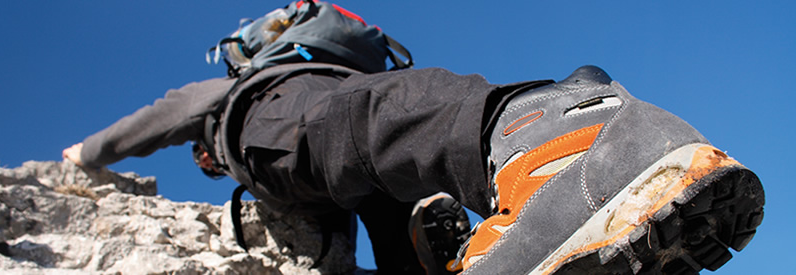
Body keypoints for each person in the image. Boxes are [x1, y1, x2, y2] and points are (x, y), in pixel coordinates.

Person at [63, 1, 765, 274]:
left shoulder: (227, 99)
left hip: (294, 128)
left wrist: (84, 156)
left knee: (354, 125)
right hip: (359, 175)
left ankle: (564, 137)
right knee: (385, 176)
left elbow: (147, 122)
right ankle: (463, 254)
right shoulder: (336, 80)